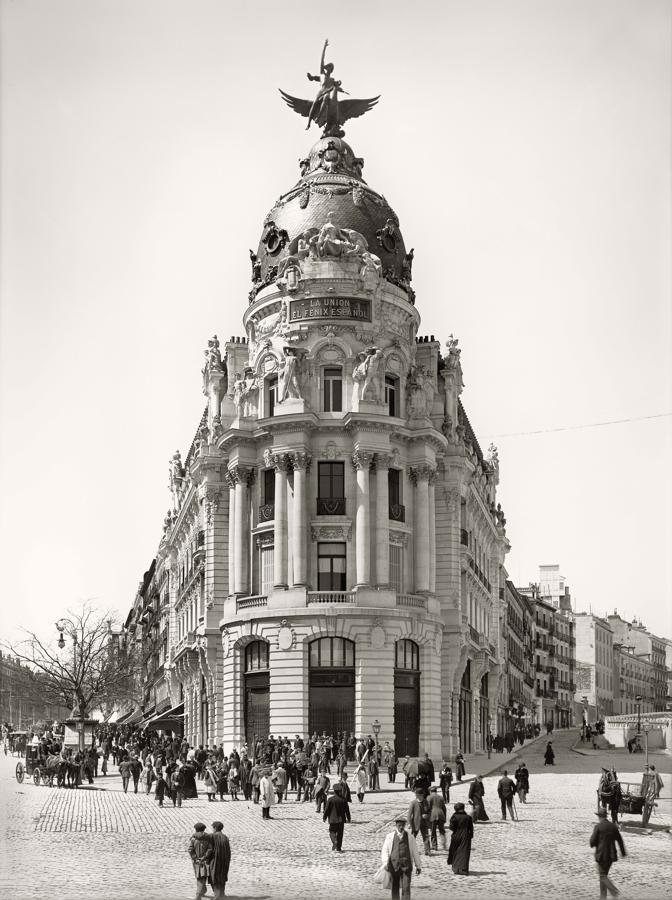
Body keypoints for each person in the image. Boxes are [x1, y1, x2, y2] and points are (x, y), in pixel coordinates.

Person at [380, 816, 422, 900]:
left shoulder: (410, 837)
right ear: (396, 825)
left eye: (403, 825)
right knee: (395, 887)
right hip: (394, 866)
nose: (401, 827)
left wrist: (418, 866)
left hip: (406, 866)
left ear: (405, 825)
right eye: (399, 825)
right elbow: (385, 850)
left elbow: (415, 852)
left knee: (406, 888)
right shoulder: (390, 837)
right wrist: (385, 863)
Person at [589, 808, 626, 899]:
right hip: (611, 856)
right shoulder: (613, 826)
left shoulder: (598, 827)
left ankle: (614, 891)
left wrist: (594, 844)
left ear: (599, 817)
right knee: (604, 875)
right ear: (606, 816)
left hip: (601, 856)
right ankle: (603, 897)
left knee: (602, 876)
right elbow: (620, 840)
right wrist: (623, 852)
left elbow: (592, 842)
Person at [323, 782, 351, 852]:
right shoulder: (343, 800)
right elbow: (347, 810)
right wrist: (349, 818)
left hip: (332, 819)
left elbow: (327, 810)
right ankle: (338, 847)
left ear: (334, 791)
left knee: (332, 832)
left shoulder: (330, 799)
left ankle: (334, 841)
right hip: (341, 820)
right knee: (340, 834)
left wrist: (324, 817)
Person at [447, 802, 474, 875]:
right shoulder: (468, 817)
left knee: (455, 851)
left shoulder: (454, 817)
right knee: (464, 852)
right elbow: (471, 828)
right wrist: (470, 836)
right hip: (465, 836)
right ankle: (463, 868)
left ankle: (455, 868)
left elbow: (451, 827)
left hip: (456, 835)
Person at [188, 822, 213, 900]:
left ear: (196, 829)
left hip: (197, 862)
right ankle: (203, 891)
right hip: (205, 861)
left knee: (199, 878)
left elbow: (190, 850)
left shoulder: (193, 839)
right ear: (204, 829)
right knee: (203, 876)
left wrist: (195, 858)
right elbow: (210, 849)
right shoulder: (208, 838)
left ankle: (198, 896)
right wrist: (204, 857)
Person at [209, 821, 231, 900]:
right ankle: (222, 894)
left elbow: (209, 849)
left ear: (215, 828)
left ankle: (217, 895)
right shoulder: (225, 837)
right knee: (222, 876)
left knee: (214, 876)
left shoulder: (212, 836)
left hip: (215, 860)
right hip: (225, 860)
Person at [407, 788, 431, 855]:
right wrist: (409, 823)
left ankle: (427, 851)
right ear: (416, 795)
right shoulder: (413, 803)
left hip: (424, 823)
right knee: (412, 837)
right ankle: (410, 850)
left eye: (421, 795)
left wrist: (427, 815)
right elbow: (409, 814)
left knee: (426, 837)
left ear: (423, 795)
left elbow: (430, 811)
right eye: (418, 795)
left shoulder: (426, 802)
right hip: (415, 823)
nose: (420, 797)